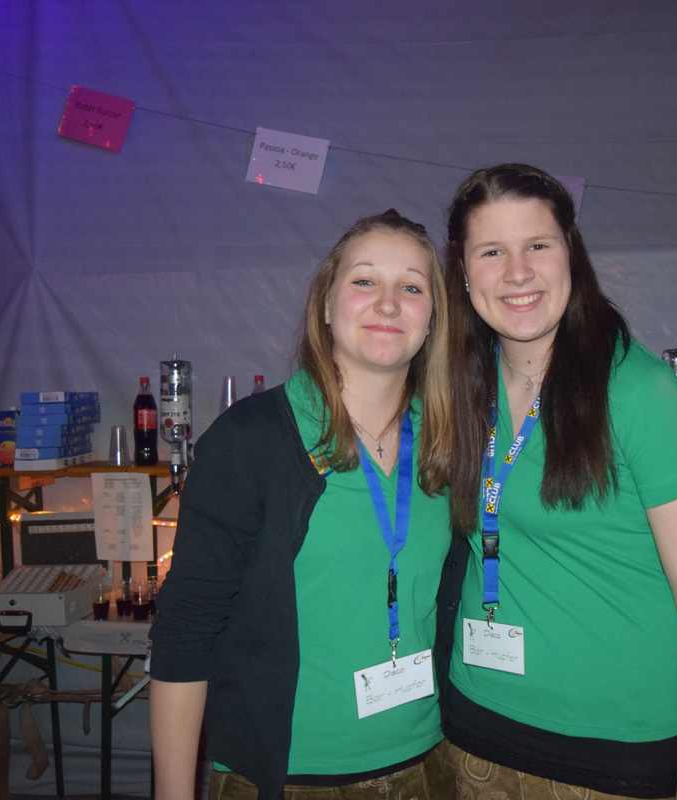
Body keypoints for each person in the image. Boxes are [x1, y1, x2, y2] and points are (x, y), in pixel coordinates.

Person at [438, 164, 677, 800]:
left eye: (537, 245)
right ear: (462, 273)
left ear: (571, 254)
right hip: (475, 734)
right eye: (491, 252)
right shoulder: (458, 385)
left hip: (612, 757)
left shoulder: (641, 396)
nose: (517, 272)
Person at [149, 209, 456, 800]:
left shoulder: (449, 443)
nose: (388, 303)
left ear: (433, 318)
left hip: (427, 767)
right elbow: (186, 630)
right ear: (326, 305)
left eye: (412, 287)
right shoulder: (252, 440)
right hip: (286, 780)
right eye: (364, 280)